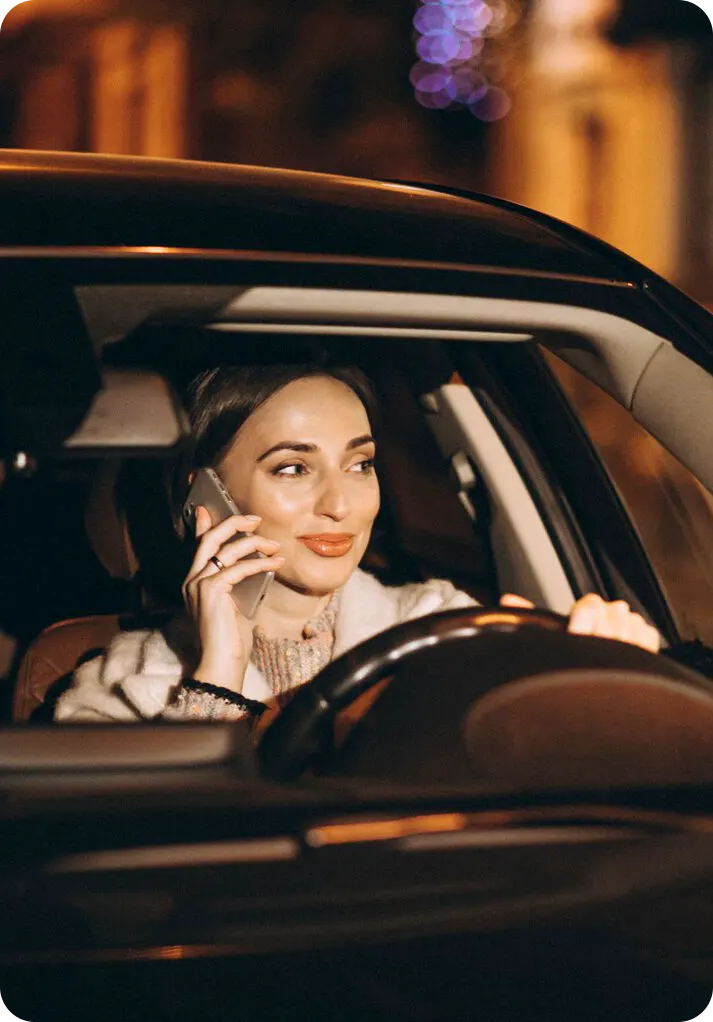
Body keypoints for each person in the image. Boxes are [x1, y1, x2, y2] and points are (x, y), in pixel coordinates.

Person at [54, 364, 660, 725]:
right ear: (205, 497)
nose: (341, 504)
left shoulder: (445, 628)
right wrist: (217, 678)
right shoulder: (118, 687)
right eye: (293, 468)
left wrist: (609, 688)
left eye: (361, 464)